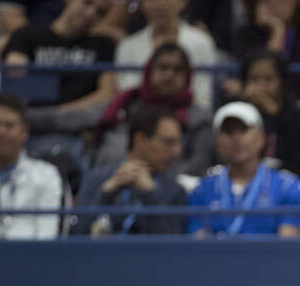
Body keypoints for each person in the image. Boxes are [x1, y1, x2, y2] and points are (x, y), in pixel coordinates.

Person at [2, 0, 117, 139]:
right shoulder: (27, 35)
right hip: (31, 122)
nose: (90, 13)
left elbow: (107, 93)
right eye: (87, 3)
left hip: (76, 127)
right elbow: (15, 83)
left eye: (100, 12)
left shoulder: (103, 45)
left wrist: (61, 113)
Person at [95, 43, 214, 176]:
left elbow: (199, 165)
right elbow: (112, 151)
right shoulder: (127, 105)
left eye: (177, 70)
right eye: (163, 68)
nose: (169, 75)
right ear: (149, 71)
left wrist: (157, 180)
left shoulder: (200, 119)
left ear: (188, 76)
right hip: (123, 178)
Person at [188, 102, 300, 237]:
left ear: (261, 138)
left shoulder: (286, 186)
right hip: (216, 258)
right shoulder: (201, 190)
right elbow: (198, 245)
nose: (236, 139)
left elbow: (286, 246)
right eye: (228, 132)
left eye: (243, 130)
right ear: (218, 142)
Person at [76, 104, 189, 235]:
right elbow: (77, 237)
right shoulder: (96, 179)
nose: (177, 151)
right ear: (140, 139)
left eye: (178, 143)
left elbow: (170, 248)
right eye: (168, 142)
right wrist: (106, 194)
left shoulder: (175, 192)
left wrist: (149, 196)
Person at [0, 93, 63, 240]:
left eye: (9, 125)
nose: (1, 132)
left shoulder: (45, 175)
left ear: (24, 132)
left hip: (28, 260)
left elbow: (47, 236)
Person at [114, 0, 219, 110]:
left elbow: (203, 96)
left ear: (182, 2)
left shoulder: (202, 42)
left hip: (190, 118)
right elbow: (127, 93)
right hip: (141, 118)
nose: (158, 4)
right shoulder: (127, 46)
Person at [234, 50, 300, 179]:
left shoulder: (298, 116)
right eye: (254, 79)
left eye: (268, 79)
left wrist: (276, 116)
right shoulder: (234, 115)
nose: (261, 86)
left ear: (282, 82)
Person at [232, 0, 300, 104]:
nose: (274, 5)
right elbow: (258, 71)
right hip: (253, 98)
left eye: (282, 1)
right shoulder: (246, 33)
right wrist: (277, 31)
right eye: (268, 2)